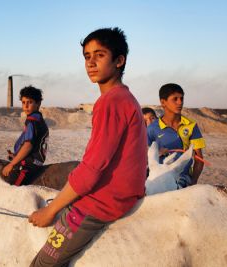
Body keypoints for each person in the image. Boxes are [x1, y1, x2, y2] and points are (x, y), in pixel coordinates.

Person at [28, 27, 147, 266]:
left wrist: (50, 212)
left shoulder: (110, 102)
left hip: (104, 201)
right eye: (87, 56)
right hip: (123, 190)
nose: (91, 62)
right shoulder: (125, 97)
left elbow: (92, 170)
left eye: (99, 55)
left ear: (119, 61)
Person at [147, 83, 206, 187]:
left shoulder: (191, 126)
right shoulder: (152, 128)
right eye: (175, 99)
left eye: (181, 98)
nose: (180, 102)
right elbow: (143, 156)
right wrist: (158, 152)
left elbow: (199, 159)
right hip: (161, 176)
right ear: (163, 102)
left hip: (184, 177)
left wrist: (193, 182)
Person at [1, 86, 49, 186]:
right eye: (23, 102)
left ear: (38, 103)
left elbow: (28, 146)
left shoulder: (32, 121)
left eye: (30, 102)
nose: (26, 106)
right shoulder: (38, 119)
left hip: (29, 164)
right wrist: (15, 155)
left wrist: (12, 164)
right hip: (35, 161)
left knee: (9, 187)